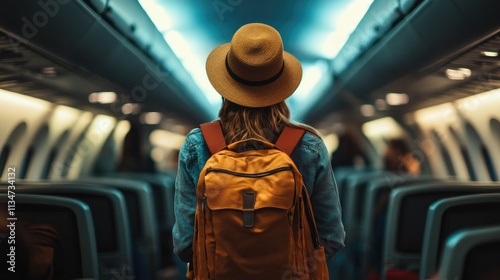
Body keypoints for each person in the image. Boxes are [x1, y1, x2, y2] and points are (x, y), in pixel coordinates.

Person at [172, 23, 345, 276]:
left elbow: (185, 244)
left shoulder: (198, 144)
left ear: (225, 88)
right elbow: (331, 238)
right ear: (282, 89)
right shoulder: (309, 146)